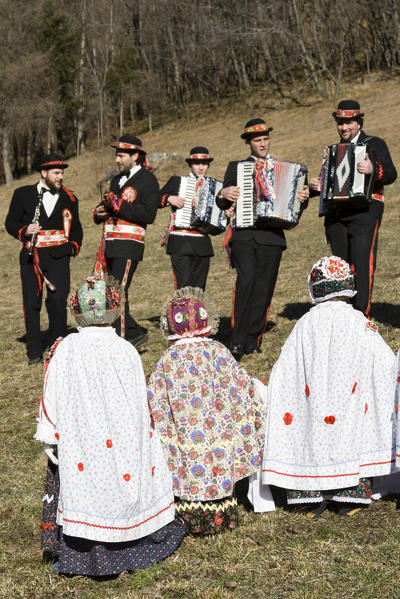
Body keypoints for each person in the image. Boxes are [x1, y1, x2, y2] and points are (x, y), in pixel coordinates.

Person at [35, 274, 186, 576]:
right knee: (121, 481)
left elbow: (50, 392)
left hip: (82, 438)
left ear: (76, 309)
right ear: (114, 309)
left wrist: (49, 434)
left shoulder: (66, 348)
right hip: (123, 439)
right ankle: (134, 538)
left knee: (88, 486)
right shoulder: (126, 349)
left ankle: (88, 552)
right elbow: (140, 405)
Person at [262, 256, 396, 517]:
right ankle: (349, 495)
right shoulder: (359, 322)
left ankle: (310, 495)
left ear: (315, 287)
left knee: (309, 434)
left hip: (312, 402)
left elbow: (286, 368)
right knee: (352, 434)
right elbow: (384, 362)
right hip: (351, 401)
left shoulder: (305, 324)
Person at [147, 286, 267, 535]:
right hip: (216, 432)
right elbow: (241, 384)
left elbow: (154, 397)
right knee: (216, 462)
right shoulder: (219, 352)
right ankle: (221, 512)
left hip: (185, 434)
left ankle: (187, 515)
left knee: (188, 463)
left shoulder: (168, 358)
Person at [217, 118, 309, 360]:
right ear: (249, 143)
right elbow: (221, 199)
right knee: (246, 281)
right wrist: (224, 193)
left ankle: (253, 339)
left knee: (264, 288)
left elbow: (295, 203)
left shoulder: (283, 167)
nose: (263, 143)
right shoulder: (236, 168)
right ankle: (236, 340)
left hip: (272, 236)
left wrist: (302, 198)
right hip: (244, 235)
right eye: (258, 140)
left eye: (266, 139)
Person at [309, 100, 397, 317]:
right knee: (341, 266)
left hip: (365, 212)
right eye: (340, 123)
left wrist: (372, 169)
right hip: (337, 215)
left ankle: (361, 314)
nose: (344, 127)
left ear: (358, 122)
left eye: (348, 122)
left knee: (362, 261)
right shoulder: (333, 150)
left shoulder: (374, 143)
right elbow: (328, 183)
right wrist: (315, 186)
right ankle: (344, 313)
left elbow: (391, 174)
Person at [5, 154, 83, 365]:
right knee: (31, 303)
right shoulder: (22, 194)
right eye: (57, 173)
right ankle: (34, 352)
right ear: (44, 173)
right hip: (32, 257)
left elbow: (76, 229)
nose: (61, 176)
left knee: (58, 301)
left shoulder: (70, 197)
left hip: (59, 257)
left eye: (62, 172)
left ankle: (57, 345)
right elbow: (10, 223)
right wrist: (25, 230)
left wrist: (71, 248)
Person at [93, 134, 159, 347]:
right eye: (116, 155)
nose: (116, 160)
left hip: (129, 243)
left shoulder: (148, 180)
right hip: (109, 244)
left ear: (135, 155)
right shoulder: (115, 180)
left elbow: (149, 215)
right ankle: (132, 333)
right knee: (109, 291)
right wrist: (100, 212)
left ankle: (123, 341)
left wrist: (119, 205)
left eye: (121, 156)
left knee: (117, 292)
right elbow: (108, 207)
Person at [158, 146, 216, 290]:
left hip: (202, 243)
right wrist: (169, 198)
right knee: (183, 287)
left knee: (199, 288)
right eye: (197, 164)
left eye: (204, 164)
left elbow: (219, 219)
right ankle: (182, 313)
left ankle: (197, 313)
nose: (201, 167)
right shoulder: (177, 182)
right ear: (190, 164)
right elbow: (154, 200)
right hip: (180, 240)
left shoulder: (214, 187)